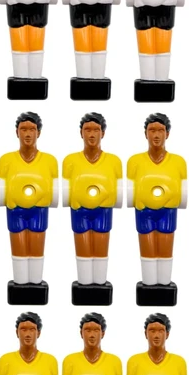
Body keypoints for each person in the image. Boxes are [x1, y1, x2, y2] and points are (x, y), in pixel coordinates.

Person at [0, 113, 59, 300]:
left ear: (38, 133)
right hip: (15, 210)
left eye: (32, 129)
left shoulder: (49, 161)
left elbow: (54, 189)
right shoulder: (6, 160)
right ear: (16, 132)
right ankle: (20, 281)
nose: (27, 133)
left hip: (39, 211)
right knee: (19, 246)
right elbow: (1, 189)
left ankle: (35, 281)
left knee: (36, 246)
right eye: (23, 129)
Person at [62, 113, 123, 299]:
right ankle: (84, 282)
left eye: (96, 130)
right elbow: (65, 189)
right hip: (79, 211)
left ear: (103, 133)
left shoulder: (114, 161)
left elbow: (118, 189)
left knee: (100, 247)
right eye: (87, 129)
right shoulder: (70, 161)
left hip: (103, 212)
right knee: (83, 247)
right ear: (81, 133)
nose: (91, 134)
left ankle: (100, 281)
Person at [126, 114, 187, 299]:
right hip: (144, 212)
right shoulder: (135, 161)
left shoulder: (178, 162)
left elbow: (183, 191)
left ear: (167, 134)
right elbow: (130, 191)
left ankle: (164, 283)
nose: (156, 135)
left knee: (165, 247)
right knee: (148, 248)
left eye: (161, 130)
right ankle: (149, 283)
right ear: (145, 133)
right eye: (152, 130)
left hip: (168, 212)